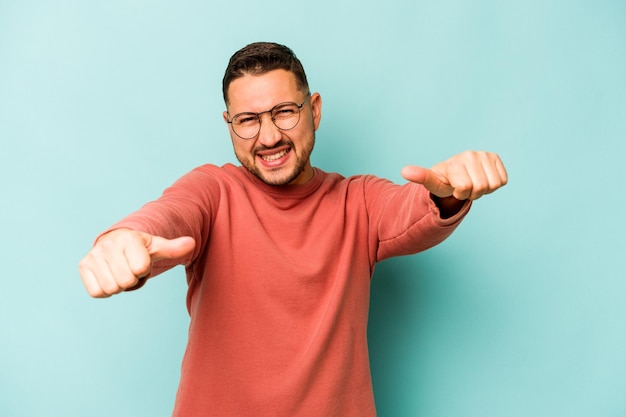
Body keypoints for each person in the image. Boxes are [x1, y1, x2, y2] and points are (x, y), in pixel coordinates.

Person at [78, 42, 508, 417]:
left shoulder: (356, 200)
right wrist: (122, 239)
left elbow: (412, 211)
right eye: (248, 120)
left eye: (283, 112)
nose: (267, 137)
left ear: (314, 110)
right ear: (229, 123)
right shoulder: (213, 189)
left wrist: (451, 191)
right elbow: (169, 213)